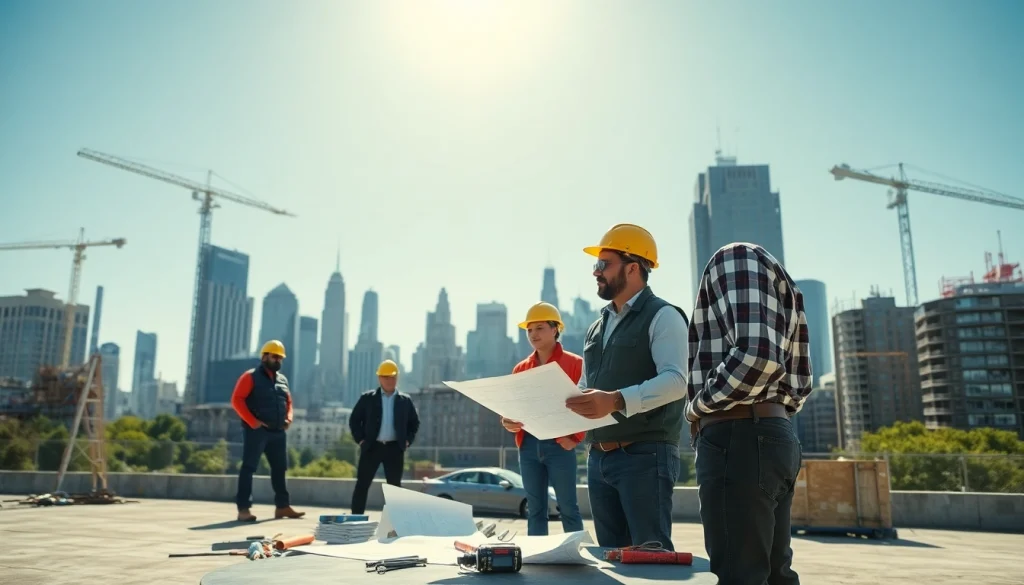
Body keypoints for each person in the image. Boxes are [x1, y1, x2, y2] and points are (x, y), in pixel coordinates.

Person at [686, 242, 812, 585]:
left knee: (737, 575)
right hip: (773, 431)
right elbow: (799, 379)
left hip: (737, 437)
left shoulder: (733, 257)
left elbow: (759, 356)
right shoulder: (782, 280)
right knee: (774, 575)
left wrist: (696, 407)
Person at [564, 223, 689, 549]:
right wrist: (533, 415)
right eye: (596, 265)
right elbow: (586, 386)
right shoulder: (595, 327)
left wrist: (617, 400)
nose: (596, 272)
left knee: (650, 559)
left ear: (633, 268)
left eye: (603, 264)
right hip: (598, 459)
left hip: (645, 456)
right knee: (612, 561)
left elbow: (677, 381)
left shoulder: (664, 316)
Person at [500, 302, 586, 536]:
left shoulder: (575, 364)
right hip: (528, 446)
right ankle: (538, 561)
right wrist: (507, 421)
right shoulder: (520, 368)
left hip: (560, 445)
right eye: (529, 330)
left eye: (539, 328)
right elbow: (512, 409)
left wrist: (575, 439)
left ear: (555, 329)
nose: (533, 334)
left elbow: (587, 405)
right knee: (535, 510)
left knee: (568, 508)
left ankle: (577, 557)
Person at [230, 339, 305, 522]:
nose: (278, 360)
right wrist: (253, 422)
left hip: (278, 432)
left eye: (280, 357)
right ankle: (244, 509)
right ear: (264, 357)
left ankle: (282, 507)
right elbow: (237, 400)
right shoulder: (250, 376)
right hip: (257, 431)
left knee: (280, 469)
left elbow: (289, 402)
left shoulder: (282, 380)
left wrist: (289, 418)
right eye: (274, 356)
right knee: (249, 468)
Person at [349, 359, 421, 515]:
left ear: (397, 378)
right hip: (371, 447)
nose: (390, 380)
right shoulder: (367, 398)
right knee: (362, 485)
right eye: (386, 377)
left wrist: (407, 440)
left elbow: (414, 423)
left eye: (392, 377)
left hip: (395, 449)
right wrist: (361, 440)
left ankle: (396, 523)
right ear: (379, 378)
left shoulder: (405, 400)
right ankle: (355, 519)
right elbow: (354, 420)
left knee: (395, 489)